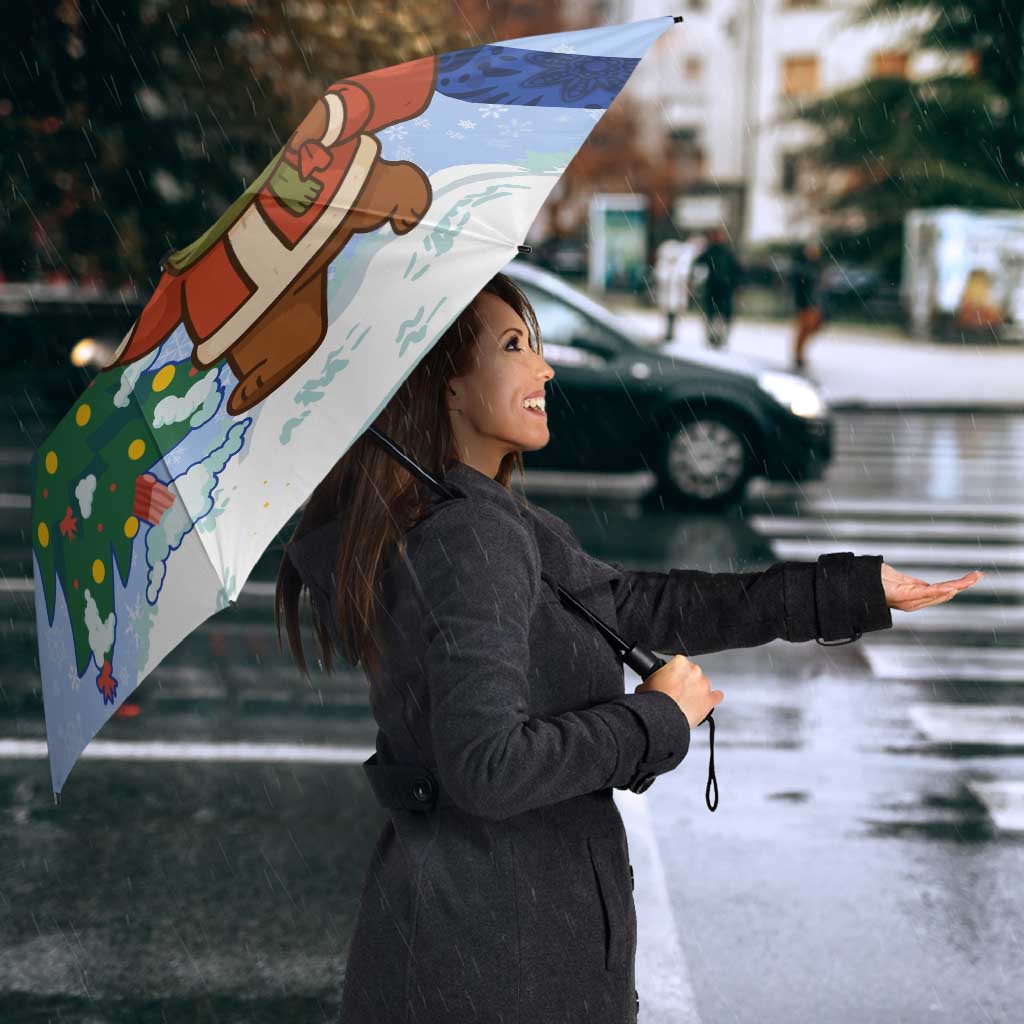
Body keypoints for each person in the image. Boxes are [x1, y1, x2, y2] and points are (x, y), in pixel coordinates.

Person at [276, 272, 980, 1024]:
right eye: (514, 346)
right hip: (496, 963)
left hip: (484, 943)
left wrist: (850, 590)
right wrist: (655, 719)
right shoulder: (469, 537)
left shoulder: (481, 519)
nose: (544, 368)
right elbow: (487, 768)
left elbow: (643, 605)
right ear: (445, 387)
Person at [692, 226, 742, 349]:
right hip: (715, 288)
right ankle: (713, 337)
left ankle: (719, 337)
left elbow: (736, 270)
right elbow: (698, 264)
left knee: (720, 315)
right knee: (713, 314)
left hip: (723, 288)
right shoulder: (712, 251)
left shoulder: (725, 252)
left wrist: (735, 284)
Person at [790, 239, 826, 370]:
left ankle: (799, 354)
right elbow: (799, 286)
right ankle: (798, 355)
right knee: (804, 329)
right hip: (805, 303)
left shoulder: (817, 266)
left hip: (814, 303)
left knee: (812, 328)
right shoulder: (802, 267)